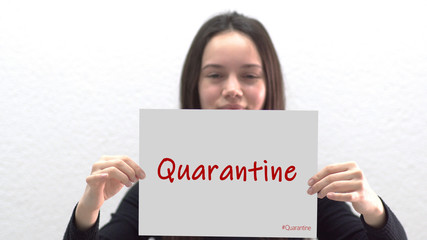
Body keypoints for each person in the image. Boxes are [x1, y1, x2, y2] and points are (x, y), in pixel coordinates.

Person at [64, 12, 407, 240]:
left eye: (249, 75)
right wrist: (88, 209)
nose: (232, 89)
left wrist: (372, 208)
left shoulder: (304, 187)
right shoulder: (159, 188)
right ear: (194, 86)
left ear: (268, 85)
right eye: (215, 74)